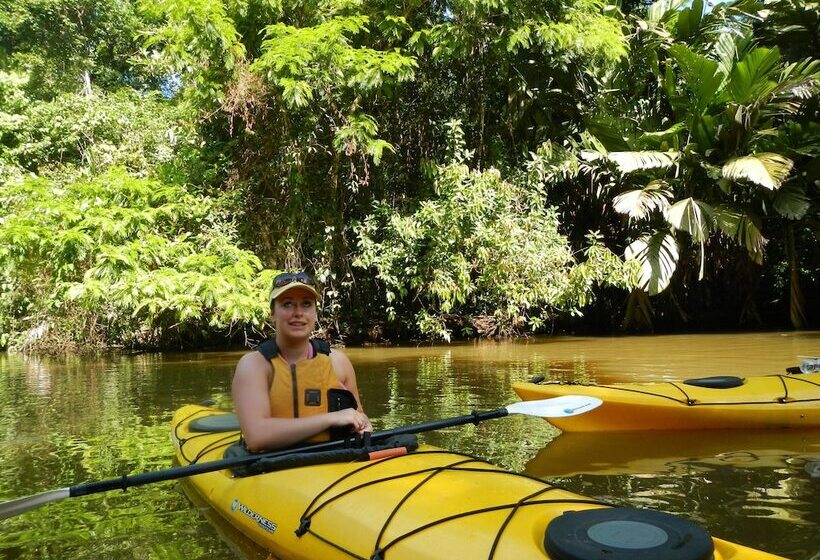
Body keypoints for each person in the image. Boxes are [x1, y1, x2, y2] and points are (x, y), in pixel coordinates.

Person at [232, 271, 372, 452]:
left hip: (335, 460)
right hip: (272, 466)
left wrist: (363, 424)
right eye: (288, 304)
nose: (298, 313)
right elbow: (256, 437)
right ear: (272, 312)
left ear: (315, 312)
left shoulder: (339, 362)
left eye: (306, 304)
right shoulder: (254, 366)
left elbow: (358, 415)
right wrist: (331, 418)